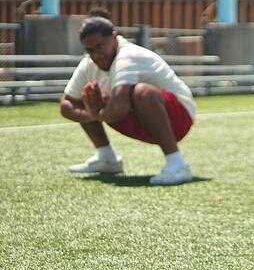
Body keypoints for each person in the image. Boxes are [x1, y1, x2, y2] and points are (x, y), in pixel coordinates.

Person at [61, 11, 196, 185]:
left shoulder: (128, 56)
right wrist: (91, 111)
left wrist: (95, 112)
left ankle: (178, 164)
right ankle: (107, 157)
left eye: (100, 46)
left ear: (114, 37)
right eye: (90, 50)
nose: (96, 55)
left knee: (142, 92)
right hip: (139, 120)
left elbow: (119, 108)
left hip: (179, 119)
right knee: (89, 96)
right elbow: (66, 104)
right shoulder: (88, 63)